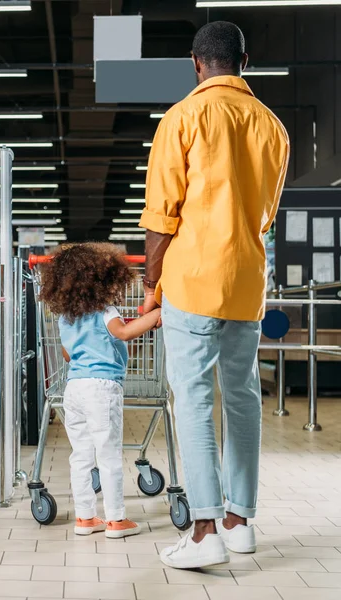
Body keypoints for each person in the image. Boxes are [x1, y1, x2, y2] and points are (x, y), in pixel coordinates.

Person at [139, 21, 290, 569]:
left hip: (193, 281)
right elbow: (266, 214)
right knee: (244, 398)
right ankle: (239, 520)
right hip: (248, 282)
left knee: (195, 401)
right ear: (244, 61)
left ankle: (203, 532)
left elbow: (160, 218)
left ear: (195, 63)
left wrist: (153, 287)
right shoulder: (273, 128)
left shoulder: (182, 117)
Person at [39, 242, 161, 538]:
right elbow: (123, 332)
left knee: (81, 455)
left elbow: (68, 354)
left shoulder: (65, 316)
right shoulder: (105, 309)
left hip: (74, 388)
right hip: (102, 387)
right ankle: (116, 520)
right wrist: (156, 316)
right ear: (102, 280)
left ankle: (85, 518)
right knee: (108, 454)